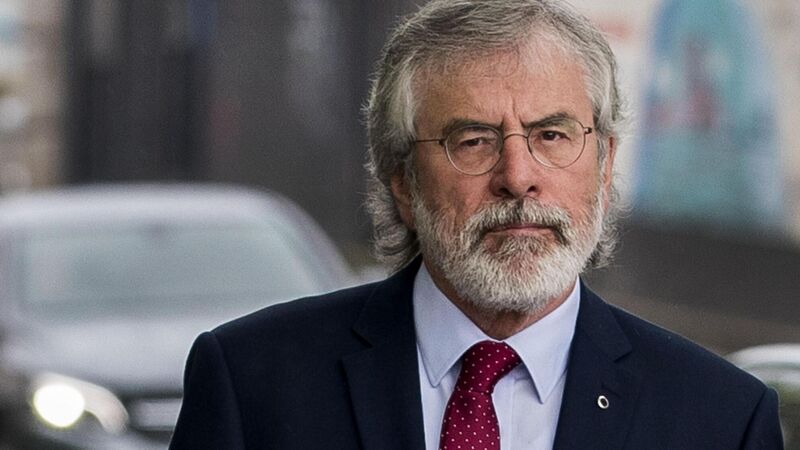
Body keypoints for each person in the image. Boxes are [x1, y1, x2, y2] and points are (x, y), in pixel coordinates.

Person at [170, 0, 783, 448]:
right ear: (402, 180)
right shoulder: (252, 384)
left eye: (551, 135)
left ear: (603, 167)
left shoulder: (721, 418)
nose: (518, 177)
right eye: (473, 140)